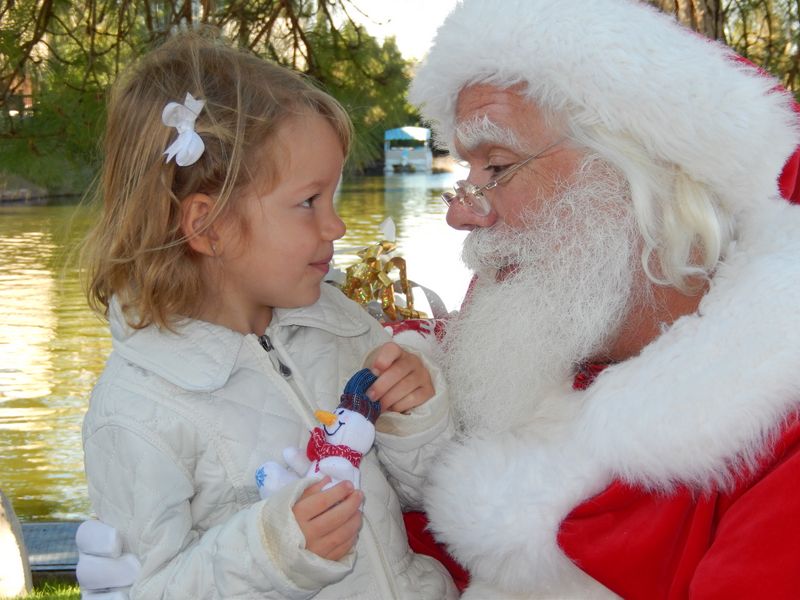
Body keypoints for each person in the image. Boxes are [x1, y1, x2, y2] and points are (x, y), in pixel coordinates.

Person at [405, 0, 800, 598]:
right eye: (468, 171)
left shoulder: (780, 437)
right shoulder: (540, 342)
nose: (461, 212)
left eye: (499, 166)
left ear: (638, 172)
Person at [77, 30, 457, 600]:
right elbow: (144, 590)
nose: (336, 227)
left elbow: (426, 495)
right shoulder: (138, 413)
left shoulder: (342, 326)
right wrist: (273, 549)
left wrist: (414, 418)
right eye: (309, 202)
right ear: (208, 226)